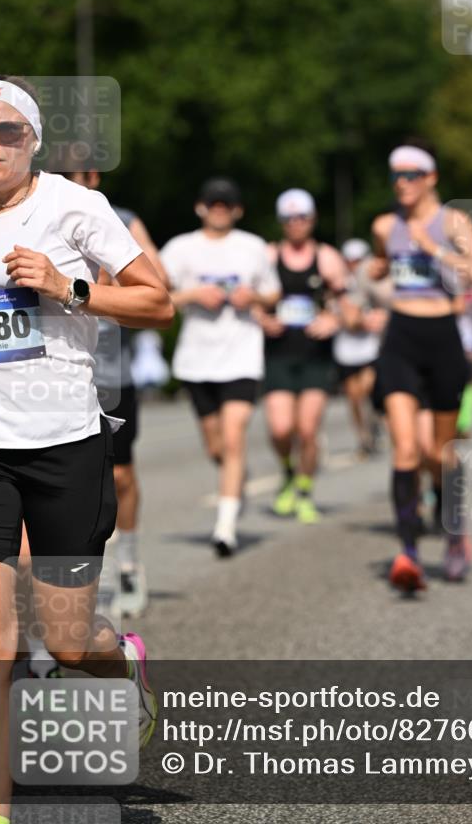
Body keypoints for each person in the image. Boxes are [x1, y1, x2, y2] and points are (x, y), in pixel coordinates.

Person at [0, 76, 174, 823]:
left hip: (65, 444)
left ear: (31, 140)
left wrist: (68, 285)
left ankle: (123, 667)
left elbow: (157, 300)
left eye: (5, 131)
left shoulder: (74, 207)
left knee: (65, 636)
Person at [370, 142, 472, 591]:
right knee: (405, 449)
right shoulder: (385, 225)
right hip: (400, 338)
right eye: (396, 176)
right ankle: (408, 553)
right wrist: (377, 269)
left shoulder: (453, 221)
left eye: (410, 175)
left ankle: (454, 529)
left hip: (443, 340)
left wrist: (435, 250)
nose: (401, 183)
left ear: (431, 178)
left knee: (437, 454)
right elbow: (384, 265)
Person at [62, 168, 169, 617]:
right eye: (66, 172)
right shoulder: (38, 215)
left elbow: (159, 284)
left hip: (111, 372)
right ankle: (87, 575)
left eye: (84, 172)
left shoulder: (119, 217)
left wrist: (102, 283)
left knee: (120, 476)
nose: (77, 178)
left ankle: (128, 563)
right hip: (61, 372)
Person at [161, 178, 280, 557]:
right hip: (197, 360)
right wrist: (194, 294)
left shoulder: (252, 247)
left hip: (242, 356)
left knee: (233, 438)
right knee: (216, 447)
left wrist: (254, 296)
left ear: (237, 210)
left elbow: (273, 292)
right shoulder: (180, 248)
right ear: (200, 207)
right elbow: (156, 295)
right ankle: (236, 477)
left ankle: (225, 528)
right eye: (213, 203)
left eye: (226, 204)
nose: (219, 209)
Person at [257, 189, 356, 523]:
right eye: (288, 218)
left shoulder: (327, 258)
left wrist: (334, 320)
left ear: (312, 220)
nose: (295, 224)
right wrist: (262, 319)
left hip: (315, 356)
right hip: (279, 354)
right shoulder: (269, 256)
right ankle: (287, 472)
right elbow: (251, 301)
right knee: (282, 429)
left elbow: (350, 309)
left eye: (301, 218)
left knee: (308, 430)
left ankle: (304, 489)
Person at [332, 238, 388, 456]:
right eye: (350, 261)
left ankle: (374, 421)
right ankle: (363, 436)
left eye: (358, 260)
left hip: (371, 346)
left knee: (367, 388)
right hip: (346, 347)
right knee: (353, 396)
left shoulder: (375, 280)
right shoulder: (339, 283)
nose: (354, 265)